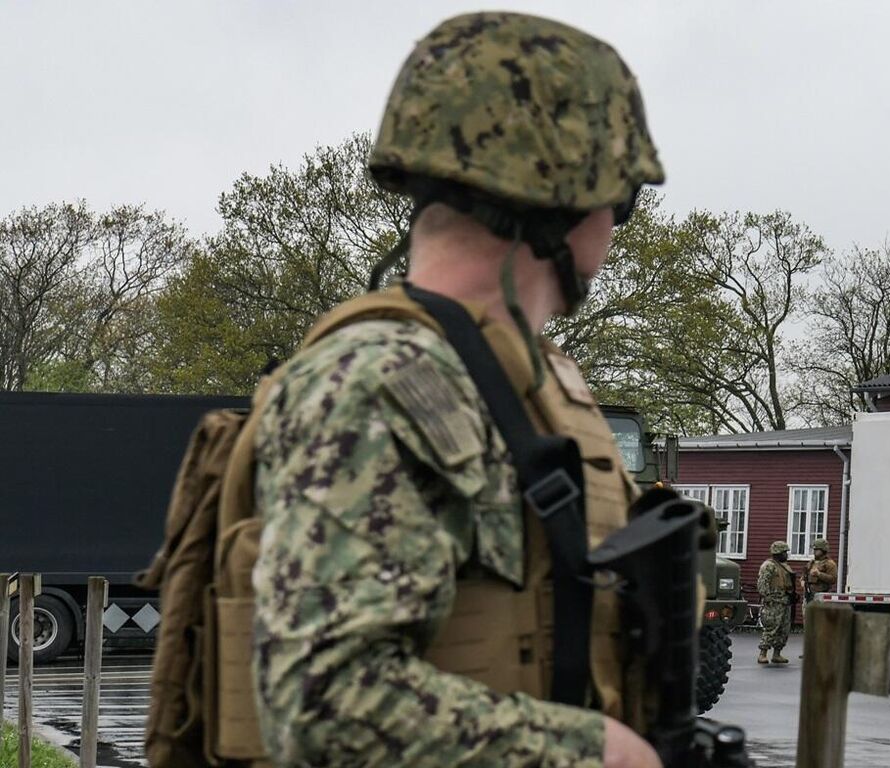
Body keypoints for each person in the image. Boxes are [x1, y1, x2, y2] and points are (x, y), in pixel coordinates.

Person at [248, 12, 667, 768]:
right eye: (620, 198)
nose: (613, 227)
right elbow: (325, 704)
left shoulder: (515, 383)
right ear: (562, 199)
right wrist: (596, 753)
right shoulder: (377, 380)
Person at [757, 542, 796, 665]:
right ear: (778, 553)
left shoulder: (784, 566)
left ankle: (777, 654)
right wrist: (767, 597)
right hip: (773, 601)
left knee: (784, 629)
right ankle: (762, 653)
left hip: (785, 601)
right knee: (771, 627)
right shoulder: (768, 566)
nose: (786, 555)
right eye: (784, 552)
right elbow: (762, 583)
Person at [805, 537, 838, 601]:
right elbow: (804, 576)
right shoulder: (811, 563)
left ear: (823, 550)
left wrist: (819, 574)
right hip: (809, 596)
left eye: (816, 549)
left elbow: (833, 579)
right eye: (814, 549)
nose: (814, 551)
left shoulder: (830, 564)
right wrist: (802, 580)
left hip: (822, 596)